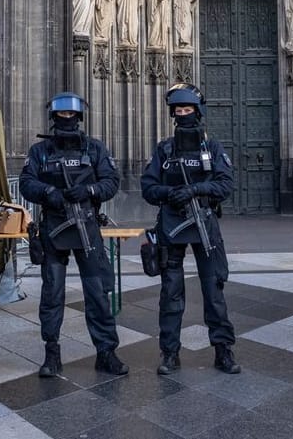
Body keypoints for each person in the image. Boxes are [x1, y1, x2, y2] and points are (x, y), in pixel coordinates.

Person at [19, 93, 128, 378]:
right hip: (54, 229)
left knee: (97, 294)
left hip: (86, 228)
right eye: (61, 115)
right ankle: (52, 353)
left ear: (79, 117)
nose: (66, 120)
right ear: (53, 117)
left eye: (71, 115)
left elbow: (111, 181)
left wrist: (89, 191)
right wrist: (48, 192)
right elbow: (27, 183)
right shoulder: (40, 151)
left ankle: (106, 352)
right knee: (52, 294)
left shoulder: (94, 149)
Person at [140, 84, 241, 376]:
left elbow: (225, 184)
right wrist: (169, 193)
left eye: (188, 110)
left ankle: (223, 350)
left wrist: (195, 189)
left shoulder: (212, 147)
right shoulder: (165, 149)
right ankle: (169, 352)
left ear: (198, 112)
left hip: (204, 225)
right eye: (179, 110)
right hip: (172, 225)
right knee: (171, 293)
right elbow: (148, 187)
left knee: (213, 291)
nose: (183, 114)